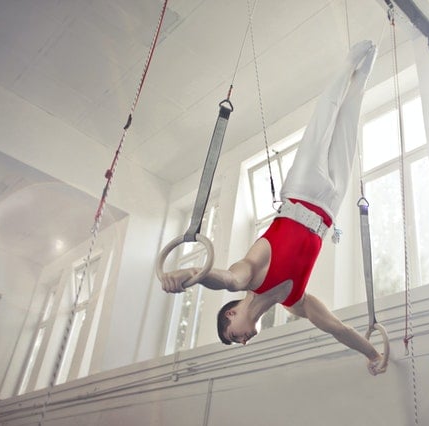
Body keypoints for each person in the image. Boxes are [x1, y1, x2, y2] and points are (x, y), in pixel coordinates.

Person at [161, 40, 386, 376]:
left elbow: (224, 279)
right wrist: (372, 354)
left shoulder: (249, 278)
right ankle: (363, 76)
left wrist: (187, 276)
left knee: (324, 120)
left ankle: (349, 62)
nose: (243, 341)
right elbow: (338, 328)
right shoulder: (296, 303)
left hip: (301, 191)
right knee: (347, 130)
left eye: (233, 337)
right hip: (328, 208)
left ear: (231, 315)